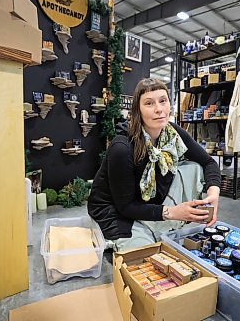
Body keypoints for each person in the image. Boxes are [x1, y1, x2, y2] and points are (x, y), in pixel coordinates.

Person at [88, 78, 221, 251]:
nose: (159, 109)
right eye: (149, 103)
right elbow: (125, 206)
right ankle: (142, 229)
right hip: (116, 211)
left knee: (194, 167)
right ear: (138, 110)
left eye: (163, 101)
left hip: (148, 200)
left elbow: (208, 162)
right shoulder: (122, 148)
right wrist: (172, 212)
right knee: (147, 256)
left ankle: (159, 220)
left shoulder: (172, 132)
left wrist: (213, 194)